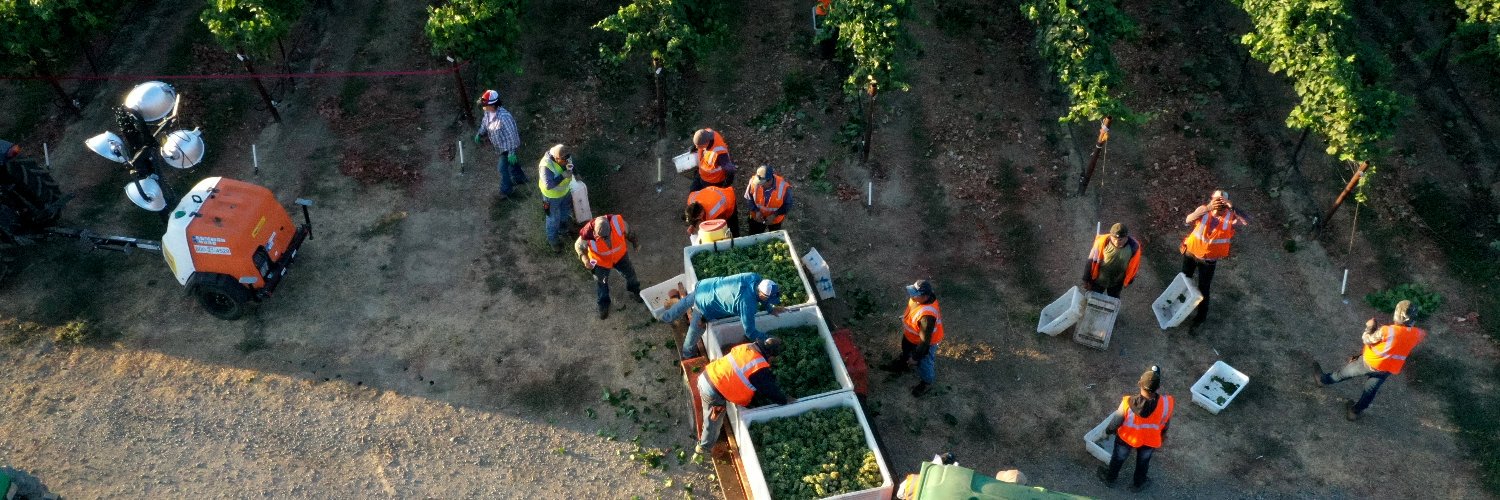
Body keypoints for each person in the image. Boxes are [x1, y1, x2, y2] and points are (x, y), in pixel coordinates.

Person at [1314, 300, 1428, 421]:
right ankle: (1354, 412)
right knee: (1370, 392)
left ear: (1397, 314)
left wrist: (1370, 327)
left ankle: (1322, 380)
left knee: (1342, 374)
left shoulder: (1387, 331)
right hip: (1386, 370)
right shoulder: (1419, 334)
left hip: (1368, 363)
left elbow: (1367, 339)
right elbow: (1401, 339)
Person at [695, 338, 794, 456]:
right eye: (774, 358)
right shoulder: (758, 367)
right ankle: (703, 448)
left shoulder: (748, 347)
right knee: (714, 420)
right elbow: (769, 390)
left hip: (709, 374)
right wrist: (784, 400)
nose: (773, 361)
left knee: (713, 414)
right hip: (712, 390)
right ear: (770, 354)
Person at [656, 272, 785, 359]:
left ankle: (665, 317)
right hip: (706, 303)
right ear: (762, 294)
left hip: (706, 286)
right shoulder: (747, 304)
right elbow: (750, 332)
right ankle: (687, 354)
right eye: (768, 299)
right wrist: (768, 338)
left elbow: (763, 297)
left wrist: (770, 309)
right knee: (695, 330)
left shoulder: (755, 277)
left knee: (685, 302)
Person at [1179, 190, 1249, 330]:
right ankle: (1179, 305)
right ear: (1211, 199)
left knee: (1203, 289)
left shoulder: (1231, 217)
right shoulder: (1204, 210)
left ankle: (1200, 318)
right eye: (1216, 200)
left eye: (1222, 201)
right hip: (1191, 254)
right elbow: (1188, 220)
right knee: (1184, 280)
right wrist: (1208, 208)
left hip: (1208, 261)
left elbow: (1246, 220)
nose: (1218, 204)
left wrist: (1232, 207)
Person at [1099, 365, 1173, 492]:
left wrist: (1108, 431)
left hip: (1126, 439)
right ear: (1158, 387)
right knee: (1143, 462)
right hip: (1150, 441)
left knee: (1118, 458)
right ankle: (1139, 483)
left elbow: (1116, 422)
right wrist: (1163, 435)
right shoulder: (1166, 403)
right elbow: (1166, 423)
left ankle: (1110, 479)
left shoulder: (1127, 402)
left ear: (1139, 383)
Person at [882, 279, 944, 396]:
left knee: (924, 363)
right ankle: (903, 364)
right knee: (906, 350)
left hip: (924, 343)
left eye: (915, 294)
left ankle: (926, 382)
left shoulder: (927, 316)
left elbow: (924, 342)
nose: (911, 296)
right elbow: (913, 311)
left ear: (925, 296)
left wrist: (915, 358)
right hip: (911, 336)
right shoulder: (917, 299)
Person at [574, 214, 642, 320]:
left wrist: (635, 243)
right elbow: (578, 246)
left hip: (620, 257)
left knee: (630, 275)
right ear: (594, 232)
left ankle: (636, 291)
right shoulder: (587, 233)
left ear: (610, 227)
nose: (605, 239)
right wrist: (585, 260)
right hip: (600, 262)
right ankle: (603, 304)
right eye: (602, 237)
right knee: (602, 283)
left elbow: (630, 232)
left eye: (606, 236)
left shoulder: (617, 222)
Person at [472, 89, 524, 199]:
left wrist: (511, 152)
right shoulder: (488, 113)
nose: (483, 107)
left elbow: (512, 135)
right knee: (512, 164)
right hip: (500, 147)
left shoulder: (504, 117)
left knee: (502, 168)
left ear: (493, 105)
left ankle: (506, 191)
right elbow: (485, 124)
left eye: (485, 105)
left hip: (508, 147)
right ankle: (520, 179)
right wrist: (480, 134)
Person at [1083, 223, 1141, 298]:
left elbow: (1134, 265)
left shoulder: (1134, 248)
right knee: (1092, 299)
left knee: (1113, 301)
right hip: (1098, 281)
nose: (1117, 242)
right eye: (1114, 239)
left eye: (1120, 240)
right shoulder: (1102, 242)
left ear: (1126, 237)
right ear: (1110, 236)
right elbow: (1090, 261)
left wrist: (1130, 280)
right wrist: (1086, 279)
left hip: (1116, 283)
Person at [537, 144, 575, 253]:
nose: (566, 161)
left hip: (565, 192)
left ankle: (563, 231)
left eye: (567, 158)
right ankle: (553, 241)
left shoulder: (565, 155)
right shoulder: (546, 166)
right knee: (552, 219)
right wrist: (563, 176)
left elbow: (572, 165)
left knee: (565, 213)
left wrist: (576, 173)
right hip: (551, 198)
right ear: (556, 158)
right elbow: (548, 185)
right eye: (563, 160)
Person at [744, 165, 793, 235]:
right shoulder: (753, 181)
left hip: (775, 220)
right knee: (754, 235)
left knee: (774, 237)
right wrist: (756, 211)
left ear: (769, 180)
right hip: (757, 218)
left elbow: (788, 205)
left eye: (761, 183)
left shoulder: (784, 187)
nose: (759, 185)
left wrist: (775, 215)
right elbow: (748, 198)